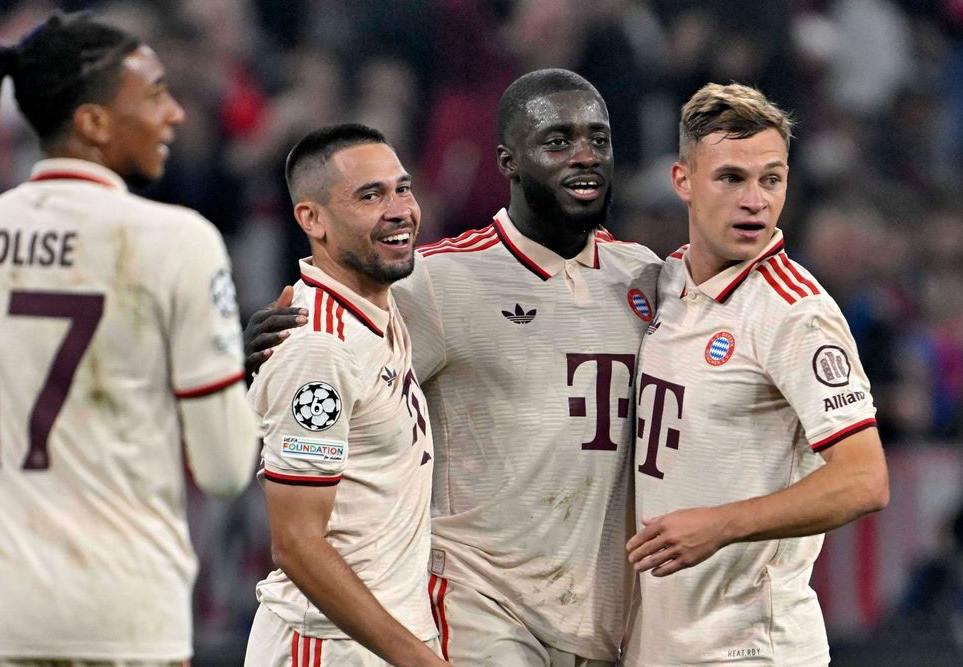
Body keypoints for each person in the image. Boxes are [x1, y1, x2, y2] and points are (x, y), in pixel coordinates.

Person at [0, 12, 257, 666]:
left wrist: (23, 441)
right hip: (123, 617)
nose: (176, 115)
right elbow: (224, 469)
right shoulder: (178, 242)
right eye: (156, 94)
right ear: (93, 122)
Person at [246, 69, 661, 665]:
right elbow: (297, 530)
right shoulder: (434, 283)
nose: (584, 157)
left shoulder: (642, 275)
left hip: (589, 613)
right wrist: (243, 357)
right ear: (507, 161)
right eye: (557, 141)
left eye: (599, 140)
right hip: (460, 611)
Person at [624, 82, 889, 665]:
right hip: (662, 644)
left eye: (771, 179)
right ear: (683, 182)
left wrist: (722, 525)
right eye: (731, 178)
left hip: (752, 647)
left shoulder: (795, 313)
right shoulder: (662, 287)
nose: (756, 200)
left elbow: (864, 480)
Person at [242, 123, 446, 667]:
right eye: (370, 195)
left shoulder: (376, 305)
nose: (400, 208)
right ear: (312, 220)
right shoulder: (320, 348)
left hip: (378, 641)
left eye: (402, 188)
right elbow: (298, 544)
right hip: (325, 648)